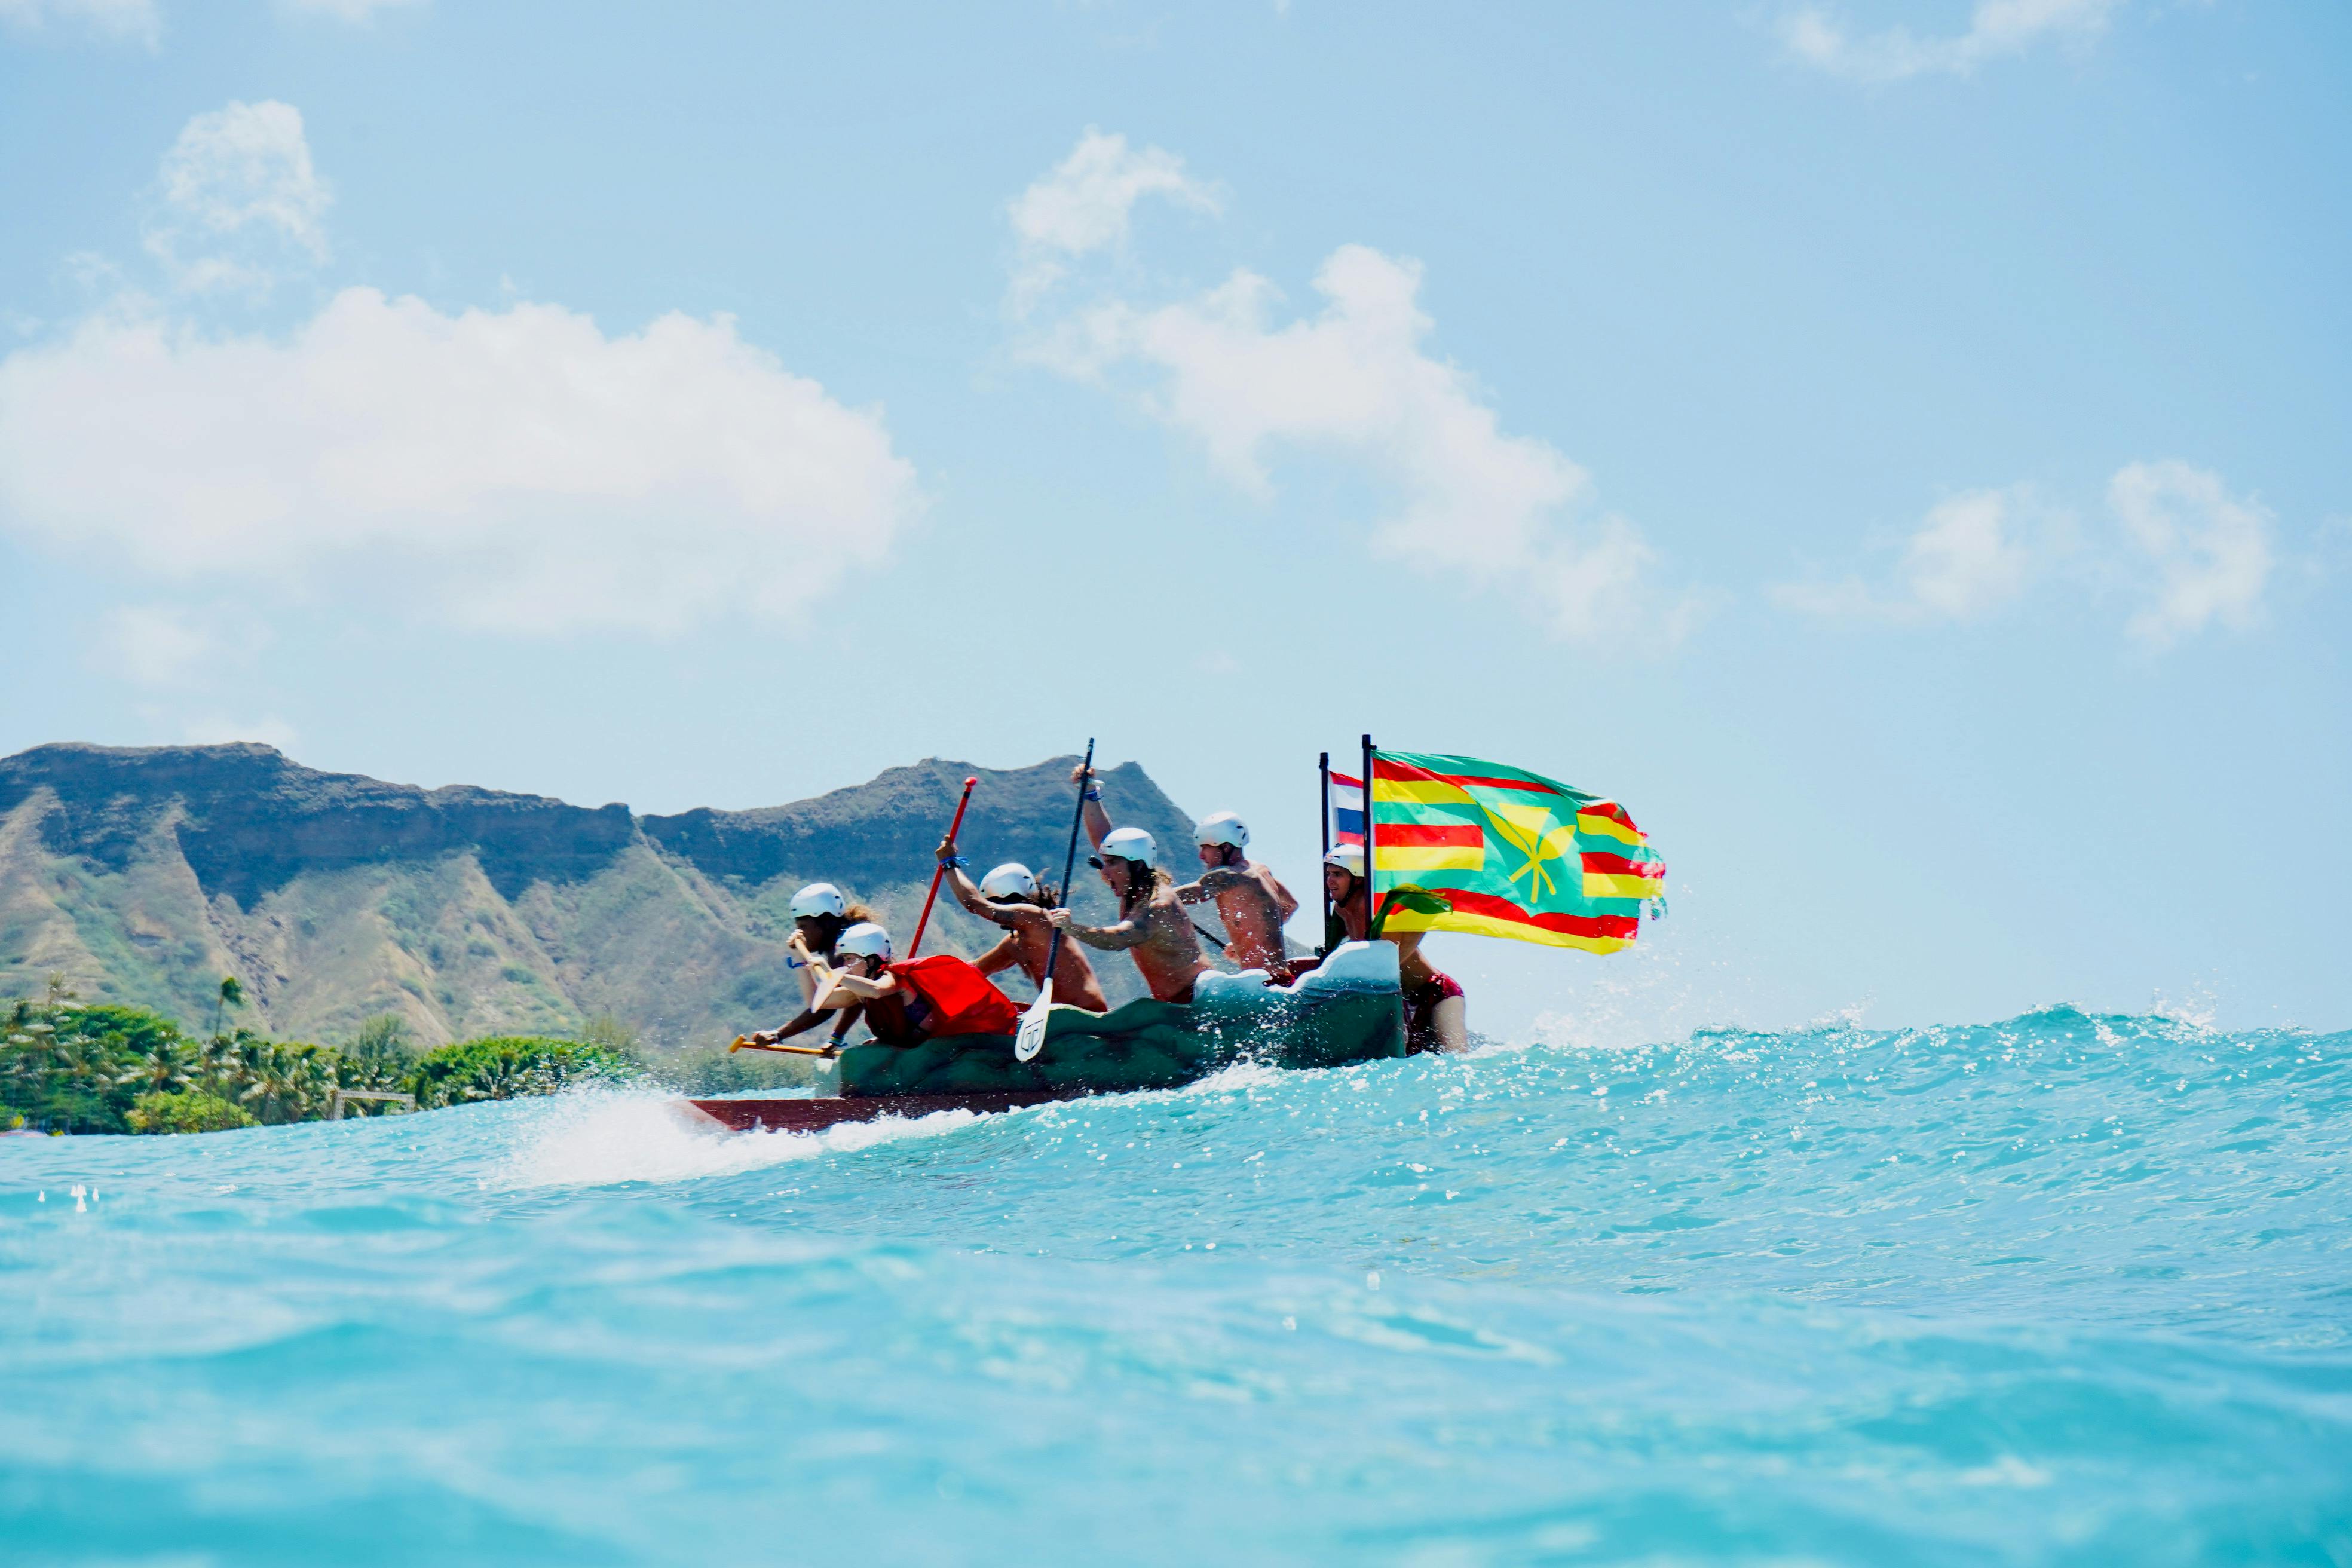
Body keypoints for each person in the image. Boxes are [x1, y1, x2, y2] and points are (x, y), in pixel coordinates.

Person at [745, 921, 1020, 1050]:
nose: (847, 965)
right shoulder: (857, 992)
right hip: (908, 1049)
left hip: (940, 1045)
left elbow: (877, 991)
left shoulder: (894, 980)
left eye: (852, 959)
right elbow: (820, 1000)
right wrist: (801, 959)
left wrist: (835, 974)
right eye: (846, 960)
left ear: (875, 960)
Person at [1045, 792, 1211, 1003]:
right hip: (1172, 1003)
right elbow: (1104, 839)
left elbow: (1117, 939)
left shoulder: (1158, 905)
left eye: (1112, 864)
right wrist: (1090, 796)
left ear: (1138, 865)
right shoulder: (1130, 883)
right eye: (1105, 863)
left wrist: (1072, 928)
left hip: (1197, 1000)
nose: (1105, 872)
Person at [933, 838, 1111, 1013]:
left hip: (1086, 1015)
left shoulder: (1036, 918)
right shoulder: (1015, 942)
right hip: (1059, 1019)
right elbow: (973, 971)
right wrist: (920, 975)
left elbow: (974, 904)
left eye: (996, 903)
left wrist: (949, 864)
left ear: (1007, 898)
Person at [1321, 844, 1469, 1054]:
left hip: (1436, 993)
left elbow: (1388, 963)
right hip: (1398, 995)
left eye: (1338, 874)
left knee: (1455, 1059)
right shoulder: (1341, 909)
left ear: (1358, 878)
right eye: (1328, 874)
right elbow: (1331, 955)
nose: (1330, 881)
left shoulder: (1376, 910)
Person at [1171, 811, 1299, 979]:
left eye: (1206, 848)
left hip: (1265, 983)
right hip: (1278, 977)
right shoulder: (1260, 871)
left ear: (1226, 847)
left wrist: (1153, 897)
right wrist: (1253, 939)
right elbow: (1290, 905)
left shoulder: (1233, 876)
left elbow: (1199, 891)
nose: (1201, 856)